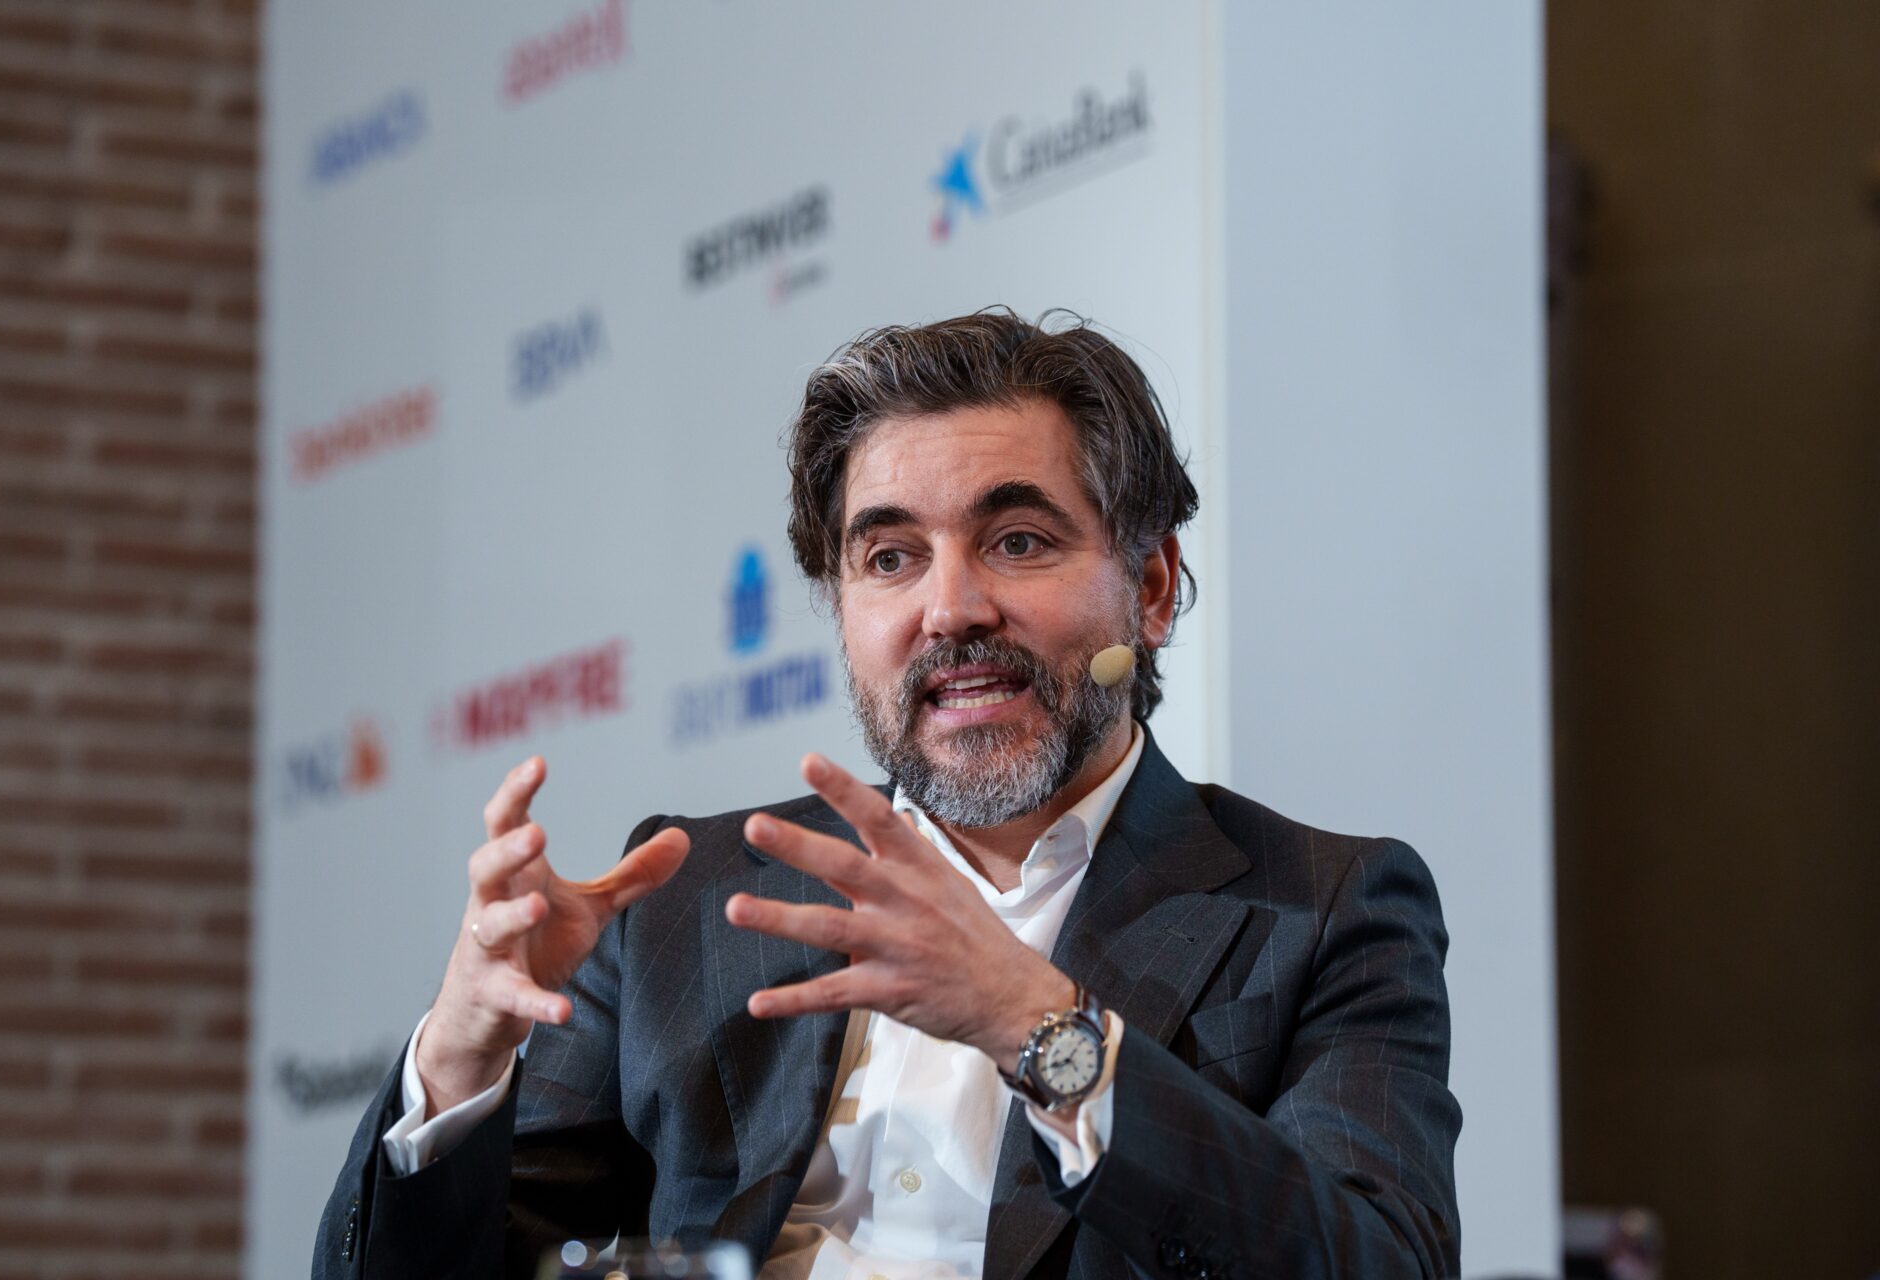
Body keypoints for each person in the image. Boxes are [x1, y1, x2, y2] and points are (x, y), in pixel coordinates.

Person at [315, 309, 1461, 1280]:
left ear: (1152, 588)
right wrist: (458, 1060)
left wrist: (1039, 1025)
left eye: (1018, 540)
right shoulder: (687, 898)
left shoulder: (1323, 908)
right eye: (891, 558)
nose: (950, 608)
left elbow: (1381, 1260)